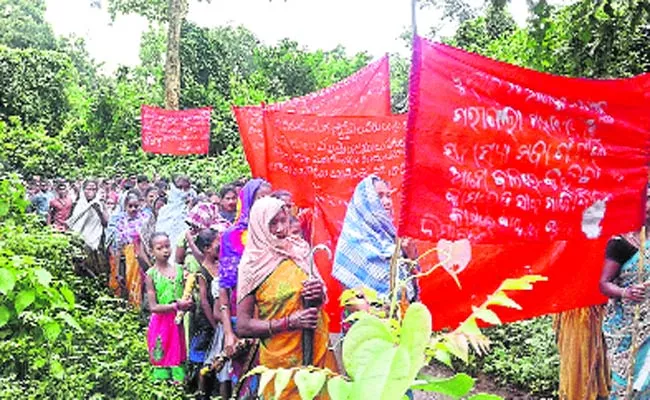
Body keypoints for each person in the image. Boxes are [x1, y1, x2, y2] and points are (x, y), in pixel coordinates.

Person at [236, 197, 337, 399]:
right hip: (282, 364)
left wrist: (317, 295)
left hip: (316, 350)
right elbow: (243, 326)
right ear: (259, 225)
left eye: (285, 220)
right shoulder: (252, 266)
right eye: (273, 223)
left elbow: (316, 299)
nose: (281, 228)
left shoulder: (298, 250)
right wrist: (289, 322)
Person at [332, 175, 419, 305]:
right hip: (369, 322)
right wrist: (381, 317)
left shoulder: (396, 241)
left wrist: (411, 258)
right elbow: (350, 300)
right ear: (365, 202)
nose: (387, 202)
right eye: (379, 196)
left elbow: (412, 291)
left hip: (403, 320)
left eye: (388, 196)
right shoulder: (350, 245)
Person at [218, 178, 271, 391]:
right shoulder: (233, 237)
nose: (266, 204)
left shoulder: (277, 235)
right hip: (242, 316)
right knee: (246, 379)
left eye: (270, 199)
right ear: (249, 202)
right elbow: (225, 287)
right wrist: (229, 333)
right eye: (260, 198)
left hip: (273, 314)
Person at [600, 191, 650, 399]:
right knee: (625, 386)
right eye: (647, 199)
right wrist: (625, 292)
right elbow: (604, 284)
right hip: (625, 328)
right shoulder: (622, 243)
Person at [145, 232, 193, 383]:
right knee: (161, 359)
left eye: (167, 246)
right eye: (160, 248)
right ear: (152, 251)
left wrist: (188, 303)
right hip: (160, 325)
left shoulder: (180, 271)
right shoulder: (151, 274)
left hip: (177, 324)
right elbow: (153, 306)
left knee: (177, 358)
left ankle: (179, 389)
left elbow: (188, 293)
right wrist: (175, 306)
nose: (165, 250)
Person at [190, 226, 231, 399]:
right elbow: (205, 302)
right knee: (206, 358)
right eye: (217, 244)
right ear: (206, 249)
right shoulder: (202, 271)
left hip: (221, 319)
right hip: (207, 323)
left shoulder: (220, 265)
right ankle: (201, 392)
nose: (221, 247)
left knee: (218, 359)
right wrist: (215, 325)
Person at [553, 305, 610, 400]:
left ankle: (592, 390)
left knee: (593, 356)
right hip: (575, 315)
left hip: (591, 316)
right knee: (576, 358)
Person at [106, 191, 148, 307]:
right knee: (127, 286)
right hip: (128, 259)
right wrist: (118, 269)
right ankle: (131, 311)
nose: (133, 209)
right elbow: (118, 247)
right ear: (125, 206)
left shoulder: (145, 220)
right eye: (130, 206)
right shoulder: (121, 222)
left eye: (136, 206)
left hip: (144, 258)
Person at [139, 195, 168, 270]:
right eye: (158, 208)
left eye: (163, 208)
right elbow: (141, 251)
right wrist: (151, 267)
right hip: (151, 264)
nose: (160, 211)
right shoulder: (147, 225)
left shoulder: (172, 225)